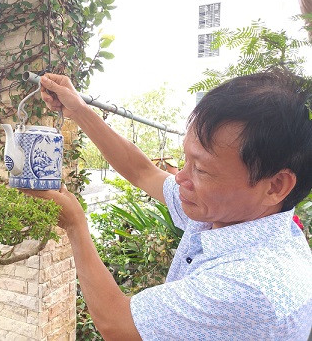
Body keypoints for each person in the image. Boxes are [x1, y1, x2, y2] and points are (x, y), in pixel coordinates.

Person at [22, 68, 312, 340]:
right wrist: (79, 111)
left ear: (275, 186)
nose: (181, 177)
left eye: (202, 169)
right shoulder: (234, 213)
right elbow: (143, 172)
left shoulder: (251, 288)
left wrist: (75, 225)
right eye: (187, 159)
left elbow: (117, 325)